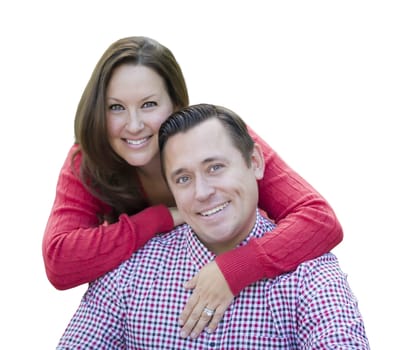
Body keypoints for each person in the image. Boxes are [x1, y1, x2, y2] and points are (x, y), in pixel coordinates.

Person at [42, 36, 343, 337]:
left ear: (176, 104)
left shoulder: (218, 140)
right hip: (162, 292)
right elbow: (60, 262)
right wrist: (164, 217)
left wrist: (236, 269)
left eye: (148, 104)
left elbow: (320, 220)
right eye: (116, 107)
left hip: (256, 289)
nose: (133, 125)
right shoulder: (90, 161)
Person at [57, 104, 369, 349]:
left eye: (215, 167)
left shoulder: (311, 276)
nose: (202, 192)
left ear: (256, 162)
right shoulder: (129, 271)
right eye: (183, 178)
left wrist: (239, 268)